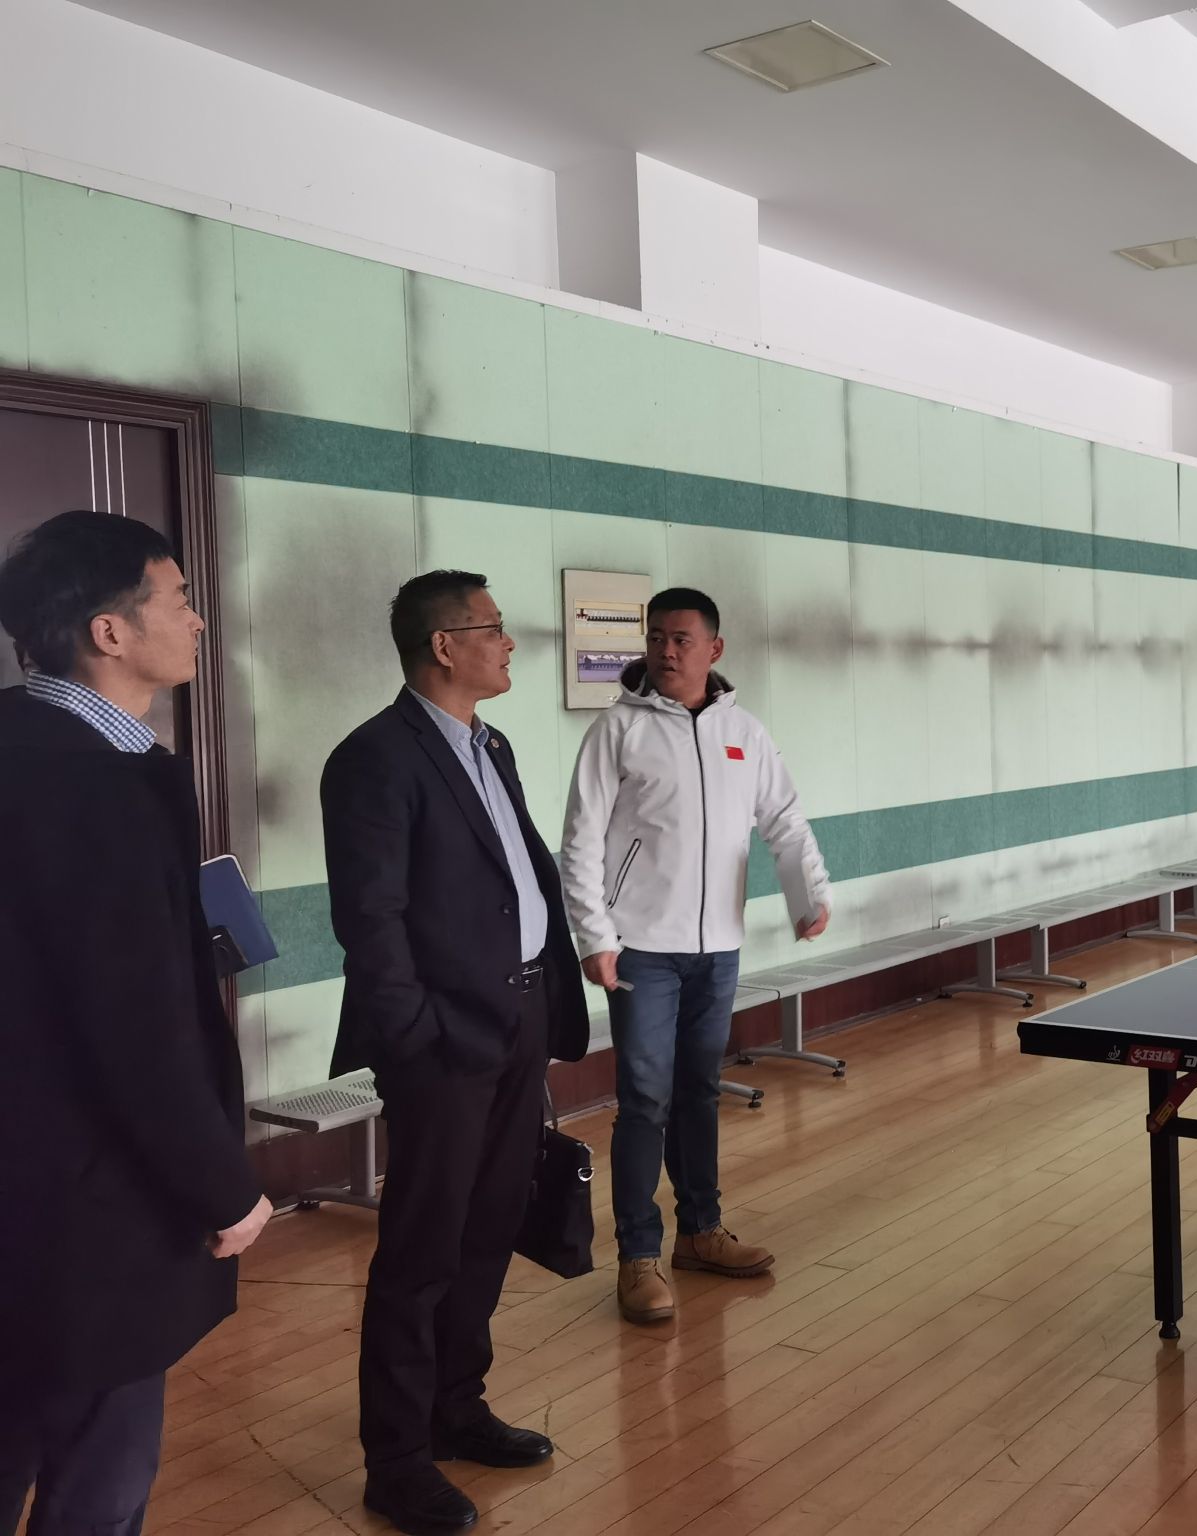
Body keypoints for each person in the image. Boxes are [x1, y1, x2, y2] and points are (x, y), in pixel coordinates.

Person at [0, 511, 271, 1536]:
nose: (198, 621)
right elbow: (137, 1025)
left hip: (21, 1192)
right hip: (96, 1205)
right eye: (180, 598)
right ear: (109, 632)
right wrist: (224, 1185)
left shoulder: (23, 743)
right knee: (97, 1482)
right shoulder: (98, 784)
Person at [321, 571, 589, 1535]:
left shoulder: (489, 744)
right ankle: (395, 1460)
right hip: (442, 1042)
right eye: (494, 628)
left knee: (487, 1228)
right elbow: (371, 919)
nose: (510, 643)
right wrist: (415, 1038)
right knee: (422, 1249)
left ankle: (455, 1405)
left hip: (518, 1020)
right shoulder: (374, 758)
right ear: (444, 646)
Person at [560, 586, 831, 1325]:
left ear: (714, 648)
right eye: (656, 638)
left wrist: (808, 897)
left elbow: (784, 820)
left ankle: (701, 1231)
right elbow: (581, 840)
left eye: (681, 639)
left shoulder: (744, 731)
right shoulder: (617, 731)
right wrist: (596, 937)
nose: (666, 650)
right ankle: (638, 1255)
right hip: (642, 951)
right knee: (646, 1099)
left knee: (700, 1093)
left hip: (718, 952)